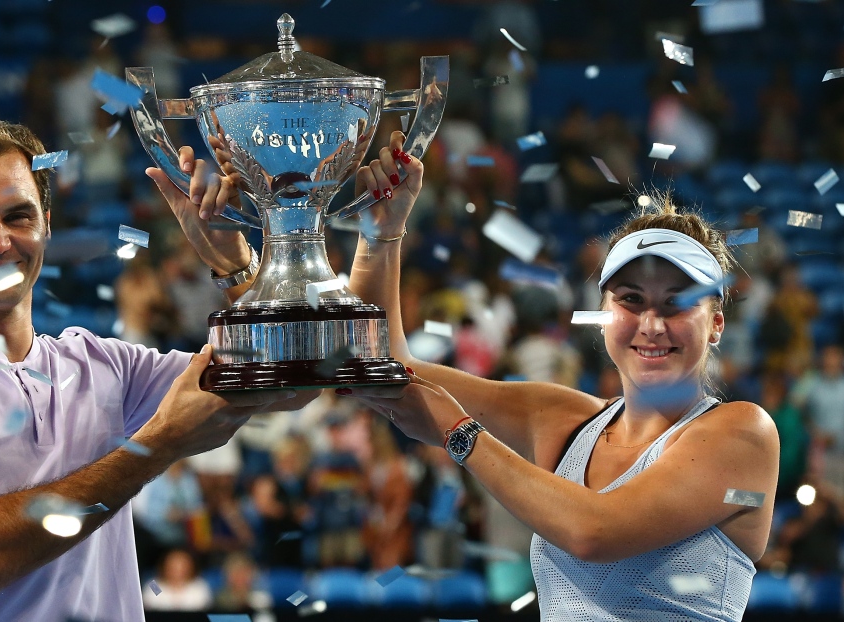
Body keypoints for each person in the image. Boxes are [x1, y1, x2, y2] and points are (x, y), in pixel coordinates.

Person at [169, 131, 779, 620]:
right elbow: (384, 368)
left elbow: (595, 531)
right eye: (631, 299)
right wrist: (381, 234)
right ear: (603, 315)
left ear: (717, 323)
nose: (651, 323)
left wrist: (460, 434)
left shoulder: (742, 433)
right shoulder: (563, 418)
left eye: (676, 302)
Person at [0, 119, 307, 621]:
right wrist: (157, 445)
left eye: (17, 216)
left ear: (46, 224)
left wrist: (235, 267)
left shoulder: (105, 365)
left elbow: (290, 377)